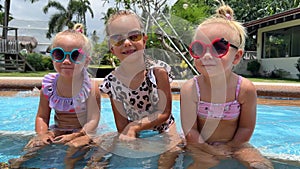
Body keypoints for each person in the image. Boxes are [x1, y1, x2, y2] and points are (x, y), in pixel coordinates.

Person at [180, 2, 274, 169]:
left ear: (237, 57)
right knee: (187, 160)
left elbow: (245, 128)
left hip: (236, 144)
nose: (207, 56)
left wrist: (230, 147)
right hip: (199, 145)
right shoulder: (191, 89)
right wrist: (207, 150)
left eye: (218, 47)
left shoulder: (244, 89)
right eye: (198, 48)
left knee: (259, 165)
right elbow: (191, 132)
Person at [88, 10, 182, 169]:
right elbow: (121, 124)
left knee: (172, 152)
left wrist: (135, 126)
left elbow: (164, 113)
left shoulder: (158, 72)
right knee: (98, 155)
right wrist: (132, 135)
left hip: (164, 128)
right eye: (118, 39)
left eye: (134, 37)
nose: (126, 43)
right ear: (112, 48)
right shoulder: (112, 82)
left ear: (144, 40)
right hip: (134, 130)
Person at [9, 27, 101, 169]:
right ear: (52, 57)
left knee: (79, 151)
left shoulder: (90, 88)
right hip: (58, 129)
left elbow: (93, 120)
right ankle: (16, 164)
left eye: (75, 56)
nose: (66, 61)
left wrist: (76, 135)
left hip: (84, 131)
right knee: (33, 147)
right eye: (59, 54)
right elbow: (42, 116)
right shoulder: (49, 87)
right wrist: (42, 134)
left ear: (86, 61)